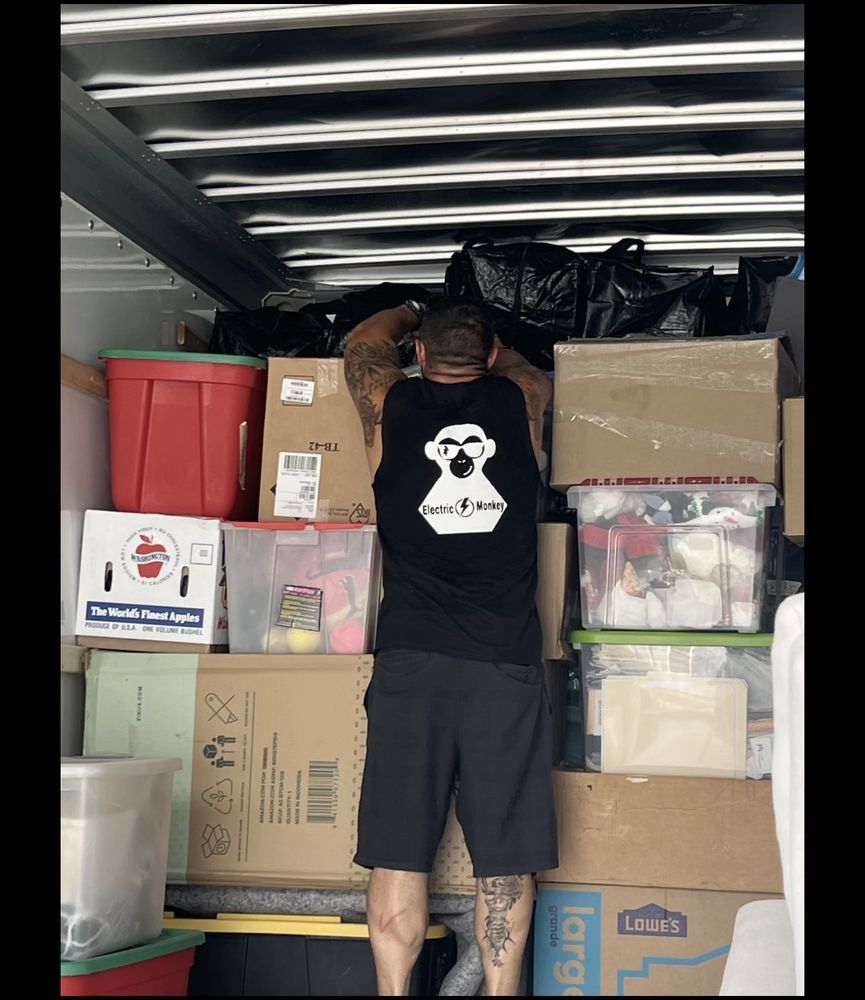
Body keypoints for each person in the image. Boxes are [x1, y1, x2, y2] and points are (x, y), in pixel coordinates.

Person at [344, 296, 558, 996]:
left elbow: (362, 344)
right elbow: (529, 370)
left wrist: (410, 310)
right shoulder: (521, 401)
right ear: (491, 357)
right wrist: (494, 342)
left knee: (397, 856)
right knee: (506, 856)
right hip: (503, 663)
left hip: (412, 663)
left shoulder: (390, 405)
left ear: (422, 357)